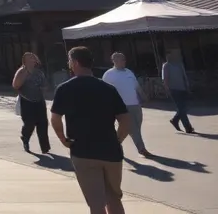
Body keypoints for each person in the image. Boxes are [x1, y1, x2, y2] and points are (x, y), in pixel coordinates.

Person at [50, 46, 131, 214]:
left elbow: (55, 119)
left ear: (75, 62)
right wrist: (117, 140)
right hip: (110, 151)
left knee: (96, 203)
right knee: (113, 198)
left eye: (70, 61)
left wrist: (63, 139)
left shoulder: (64, 89)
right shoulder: (108, 89)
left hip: (83, 151)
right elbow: (125, 120)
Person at [102, 53, 149, 156]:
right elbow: (104, 91)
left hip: (135, 104)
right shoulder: (108, 74)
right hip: (122, 106)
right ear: (114, 61)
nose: (123, 61)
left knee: (134, 127)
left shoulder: (129, 72)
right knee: (132, 128)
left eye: (124, 59)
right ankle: (142, 149)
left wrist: (143, 96)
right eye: (121, 59)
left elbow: (136, 87)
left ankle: (115, 145)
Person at [12, 52, 50, 153]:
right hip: (27, 101)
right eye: (28, 59)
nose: (31, 60)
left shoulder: (39, 72)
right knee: (29, 123)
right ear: (24, 61)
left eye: (32, 58)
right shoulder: (21, 71)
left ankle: (45, 147)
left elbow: (45, 85)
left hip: (39, 100)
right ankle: (25, 138)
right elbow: (15, 85)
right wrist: (25, 74)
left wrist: (43, 88)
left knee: (43, 123)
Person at [162, 50, 195, 134]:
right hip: (173, 89)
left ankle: (175, 120)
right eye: (167, 56)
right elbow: (165, 78)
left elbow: (184, 76)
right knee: (181, 108)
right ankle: (188, 127)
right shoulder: (166, 66)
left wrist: (187, 86)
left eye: (171, 56)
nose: (169, 57)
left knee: (184, 107)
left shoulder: (179, 65)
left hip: (182, 88)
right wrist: (167, 89)